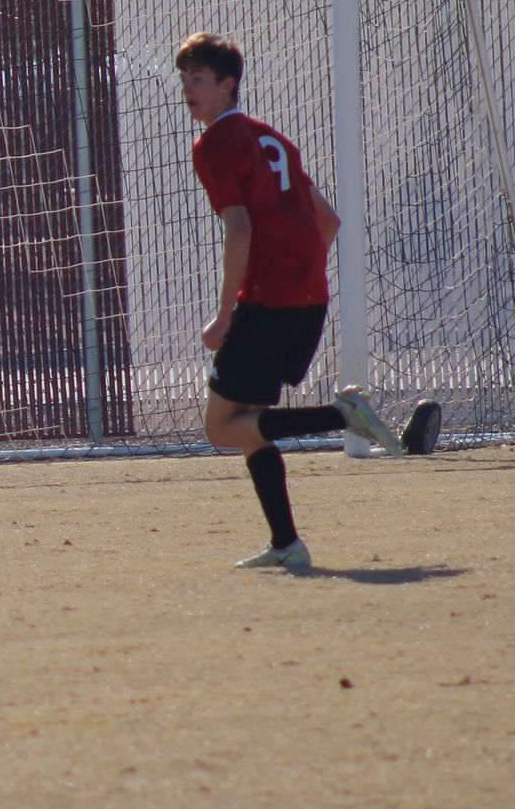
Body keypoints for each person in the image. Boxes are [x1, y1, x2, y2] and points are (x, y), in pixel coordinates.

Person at [177, 33, 432, 570]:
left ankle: (341, 414)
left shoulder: (216, 145)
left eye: (197, 79)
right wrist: (301, 274)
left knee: (221, 429)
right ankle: (287, 544)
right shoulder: (272, 137)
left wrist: (225, 315)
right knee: (251, 425)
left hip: (268, 301)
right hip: (308, 297)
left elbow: (239, 228)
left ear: (228, 86)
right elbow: (328, 220)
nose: (187, 89)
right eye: (184, 78)